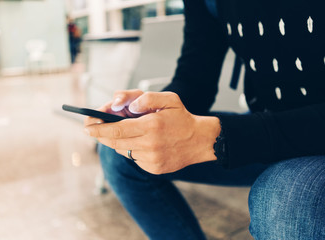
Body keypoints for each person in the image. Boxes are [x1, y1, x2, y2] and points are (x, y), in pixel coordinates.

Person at [84, 0, 325, 239]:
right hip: (266, 127)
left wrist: (222, 138)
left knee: (286, 202)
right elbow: (195, 79)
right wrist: (153, 112)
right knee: (122, 155)